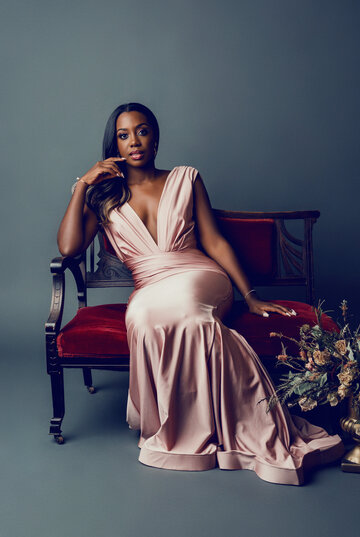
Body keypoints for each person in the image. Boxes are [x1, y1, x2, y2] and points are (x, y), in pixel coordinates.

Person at [57, 102, 345, 485]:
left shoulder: (185, 177)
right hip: (150, 287)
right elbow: (68, 248)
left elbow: (215, 242)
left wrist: (251, 295)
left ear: (155, 138)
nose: (134, 142)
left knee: (191, 312)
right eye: (124, 135)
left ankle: (217, 423)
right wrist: (83, 184)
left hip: (199, 274)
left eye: (142, 131)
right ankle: (178, 423)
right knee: (142, 317)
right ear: (114, 144)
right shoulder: (103, 197)